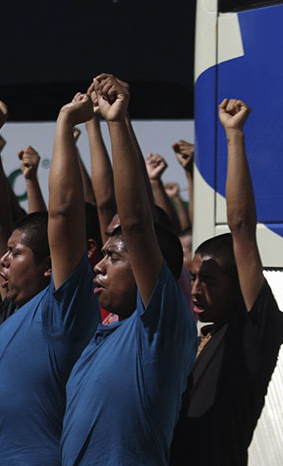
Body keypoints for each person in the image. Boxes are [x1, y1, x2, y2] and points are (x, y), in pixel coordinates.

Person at [60, 74, 196, 465]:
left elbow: (134, 222)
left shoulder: (160, 327)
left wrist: (116, 122)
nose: (99, 266)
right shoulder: (103, 334)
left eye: (115, 257)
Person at [0, 95, 100, 465]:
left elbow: (63, 212)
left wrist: (65, 122)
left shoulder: (63, 310)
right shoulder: (11, 310)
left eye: (16, 252)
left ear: (48, 266)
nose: (2, 260)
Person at [170, 99, 283, 466]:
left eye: (210, 281)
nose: (196, 289)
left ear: (239, 285)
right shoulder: (198, 338)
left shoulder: (253, 331)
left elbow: (241, 227)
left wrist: (234, 135)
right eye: (193, 278)